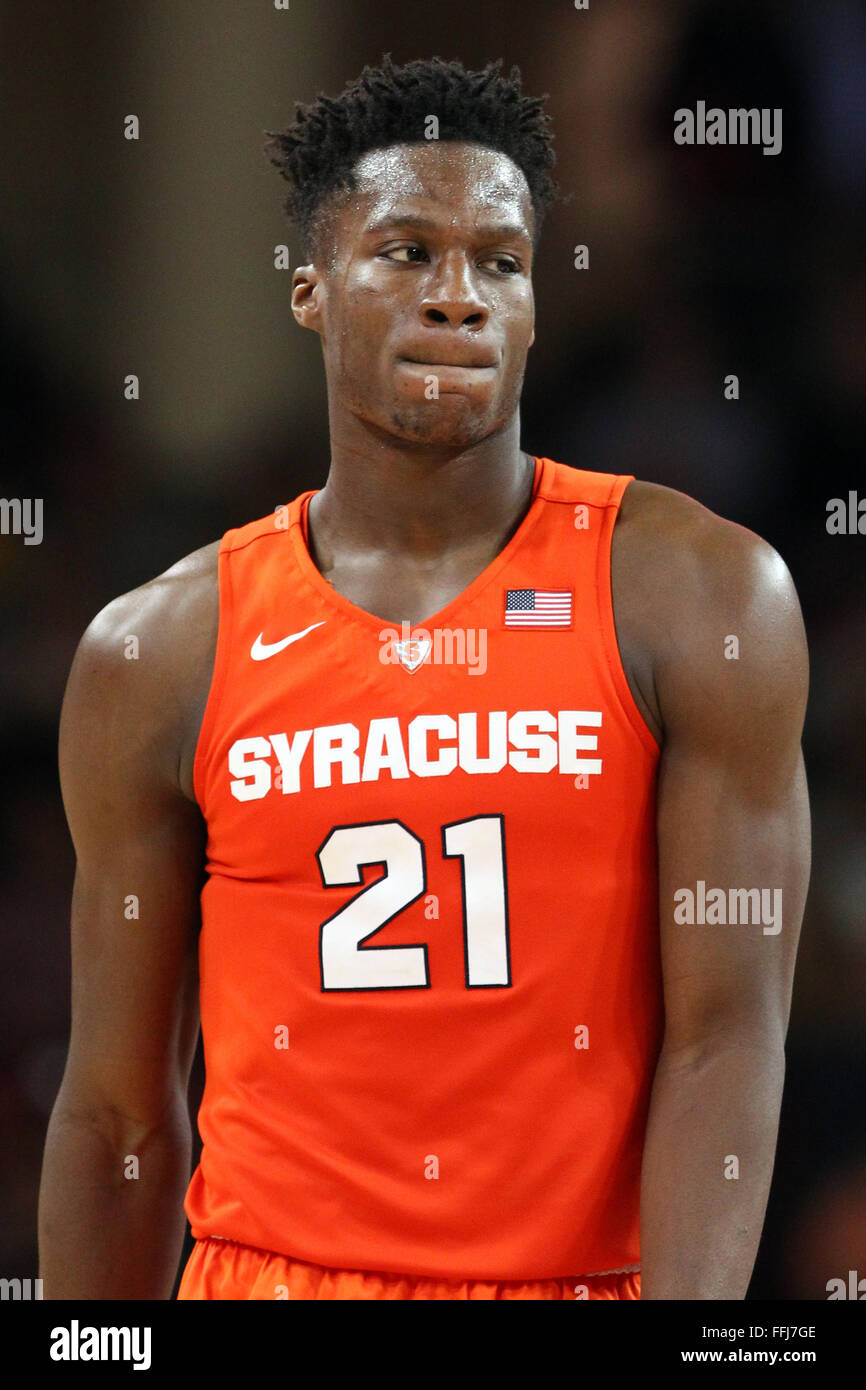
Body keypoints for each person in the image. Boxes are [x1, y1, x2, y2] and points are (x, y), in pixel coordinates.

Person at [38, 56, 810, 1300]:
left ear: (534, 308)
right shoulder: (161, 645)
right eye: (404, 252)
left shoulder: (696, 593)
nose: (457, 297)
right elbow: (117, 1111)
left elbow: (727, 1034)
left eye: (498, 262)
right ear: (308, 291)